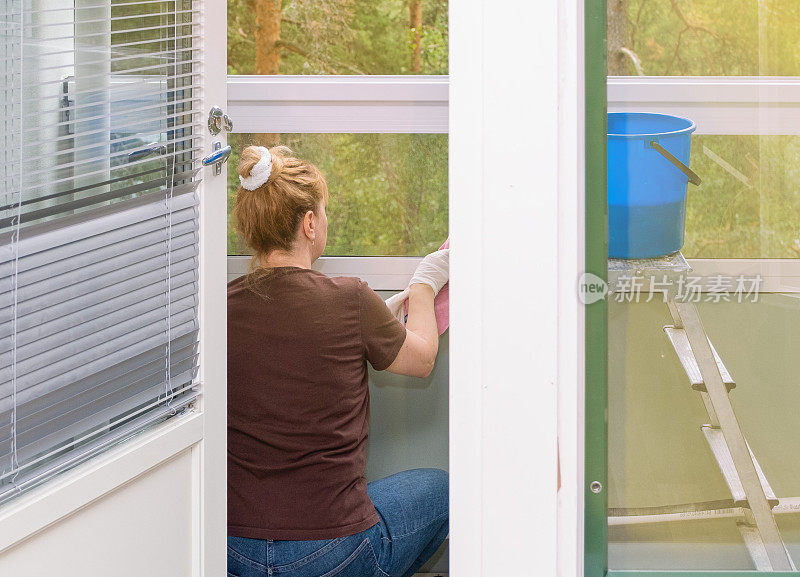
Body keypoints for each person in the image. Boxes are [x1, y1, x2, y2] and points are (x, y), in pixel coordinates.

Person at [227, 145, 450, 577]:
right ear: (309, 223)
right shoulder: (349, 299)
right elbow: (422, 358)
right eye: (323, 212)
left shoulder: (222, 307)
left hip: (235, 555)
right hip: (331, 553)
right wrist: (425, 283)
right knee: (444, 491)